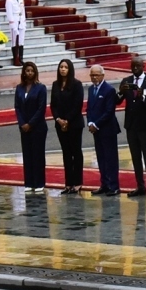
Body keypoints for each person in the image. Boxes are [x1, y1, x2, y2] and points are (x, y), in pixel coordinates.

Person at [118, 57, 146, 198]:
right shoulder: (126, 81)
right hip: (131, 125)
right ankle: (140, 186)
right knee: (135, 157)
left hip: (145, 125)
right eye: (132, 66)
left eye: (137, 66)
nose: (135, 68)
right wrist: (120, 92)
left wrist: (143, 97)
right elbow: (118, 101)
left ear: (143, 66)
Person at [51, 58, 85, 194]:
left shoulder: (77, 84)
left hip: (74, 123)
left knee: (76, 152)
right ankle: (68, 183)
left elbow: (78, 104)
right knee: (66, 153)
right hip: (60, 124)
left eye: (65, 67)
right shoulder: (55, 84)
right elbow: (53, 105)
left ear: (70, 69)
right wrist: (59, 119)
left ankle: (77, 183)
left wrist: (67, 121)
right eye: (61, 67)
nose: (63, 69)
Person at [86, 65, 120, 196]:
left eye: (96, 75)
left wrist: (96, 124)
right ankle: (104, 184)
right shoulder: (90, 89)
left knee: (110, 158)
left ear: (102, 75)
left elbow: (109, 111)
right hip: (96, 129)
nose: (94, 77)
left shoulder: (109, 90)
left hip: (108, 129)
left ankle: (114, 186)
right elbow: (89, 108)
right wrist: (90, 122)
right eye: (92, 75)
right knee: (101, 157)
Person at [15, 62, 48, 193]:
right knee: (27, 154)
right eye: (27, 70)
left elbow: (41, 108)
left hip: (37, 127)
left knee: (37, 155)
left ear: (35, 73)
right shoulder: (19, 88)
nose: (29, 73)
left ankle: (39, 182)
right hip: (24, 127)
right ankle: (29, 182)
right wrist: (22, 123)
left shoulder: (41, 88)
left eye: (32, 70)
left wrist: (30, 124)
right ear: (23, 72)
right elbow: (17, 107)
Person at [6, 0, 26, 67]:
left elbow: (23, 11)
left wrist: (24, 21)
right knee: (14, 42)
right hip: (15, 21)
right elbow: (9, 14)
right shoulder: (9, 1)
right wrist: (13, 25)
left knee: (21, 41)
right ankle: (15, 59)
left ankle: (21, 58)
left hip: (21, 21)